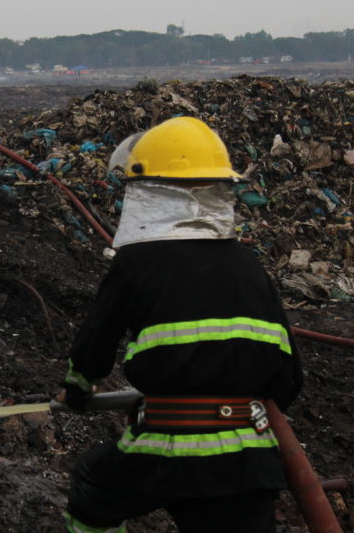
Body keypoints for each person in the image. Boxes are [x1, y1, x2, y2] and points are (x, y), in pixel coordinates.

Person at [56, 116, 303, 533]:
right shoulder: (249, 265)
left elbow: (93, 349)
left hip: (166, 449)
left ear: (146, 190)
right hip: (249, 462)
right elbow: (289, 377)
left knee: (93, 487)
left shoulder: (136, 263)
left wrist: (77, 392)